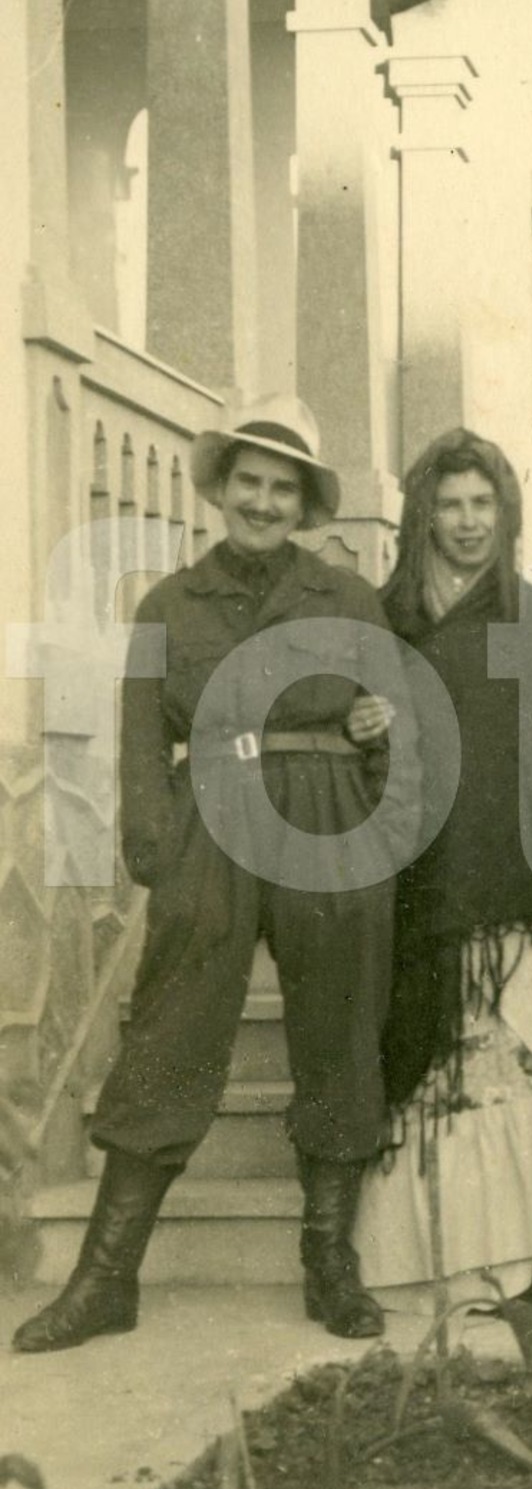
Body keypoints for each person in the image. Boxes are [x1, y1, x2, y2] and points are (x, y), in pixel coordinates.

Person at [13, 396, 421, 1353]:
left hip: (328, 814)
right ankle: (107, 1277)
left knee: (338, 1024)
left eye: (284, 488)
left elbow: (391, 723)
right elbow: (143, 735)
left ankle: (331, 1264)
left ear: (306, 501)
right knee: (170, 1029)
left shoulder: (345, 598)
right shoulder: (169, 604)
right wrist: (157, 848)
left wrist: (375, 837)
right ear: (222, 489)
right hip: (216, 814)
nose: (264, 501)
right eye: (250, 482)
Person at [352, 427, 532, 1305]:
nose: (466, 521)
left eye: (482, 503)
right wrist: (358, 726)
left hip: (510, 888)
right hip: (413, 878)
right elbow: (355, 731)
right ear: (421, 515)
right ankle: (417, 1263)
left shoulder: (531, 615)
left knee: (508, 1069)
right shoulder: (385, 614)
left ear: (506, 512)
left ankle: (503, 1265)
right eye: (448, 504)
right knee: (422, 1070)